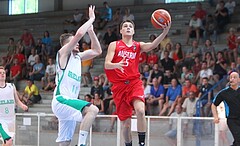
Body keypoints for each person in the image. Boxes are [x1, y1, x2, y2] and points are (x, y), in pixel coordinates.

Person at [104, 19, 170, 146]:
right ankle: (128, 144)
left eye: (130, 26)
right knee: (126, 125)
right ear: (121, 31)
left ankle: (142, 143)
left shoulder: (137, 46)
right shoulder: (114, 45)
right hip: (119, 86)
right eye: (125, 26)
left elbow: (152, 46)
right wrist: (116, 65)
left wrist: (164, 32)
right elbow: (107, 64)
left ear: (133, 31)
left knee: (140, 110)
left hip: (134, 83)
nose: (128, 27)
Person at [51, 5, 102, 146]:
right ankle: (82, 144)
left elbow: (97, 51)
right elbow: (79, 34)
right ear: (66, 45)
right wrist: (91, 19)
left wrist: (91, 32)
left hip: (69, 105)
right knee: (92, 109)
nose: (78, 43)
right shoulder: (63, 54)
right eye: (73, 42)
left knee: (65, 142)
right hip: (62, 100)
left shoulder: (78, 57)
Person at [0, 66, 28, 146]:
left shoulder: (11, 86)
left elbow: (17, 100)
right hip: (1, 120)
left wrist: (22, 105)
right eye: (0, 73)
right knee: (8, 141)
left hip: (11, 119)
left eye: (4, 73)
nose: (2, 74)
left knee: (8, 143)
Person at [211, 71, 240, 146]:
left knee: (237, 142)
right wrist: (215, 116)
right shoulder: (224, 93)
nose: (232, 79)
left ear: (239, 80)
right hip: (232, 120)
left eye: (234, 77)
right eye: (231, 77)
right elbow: (213, 105)